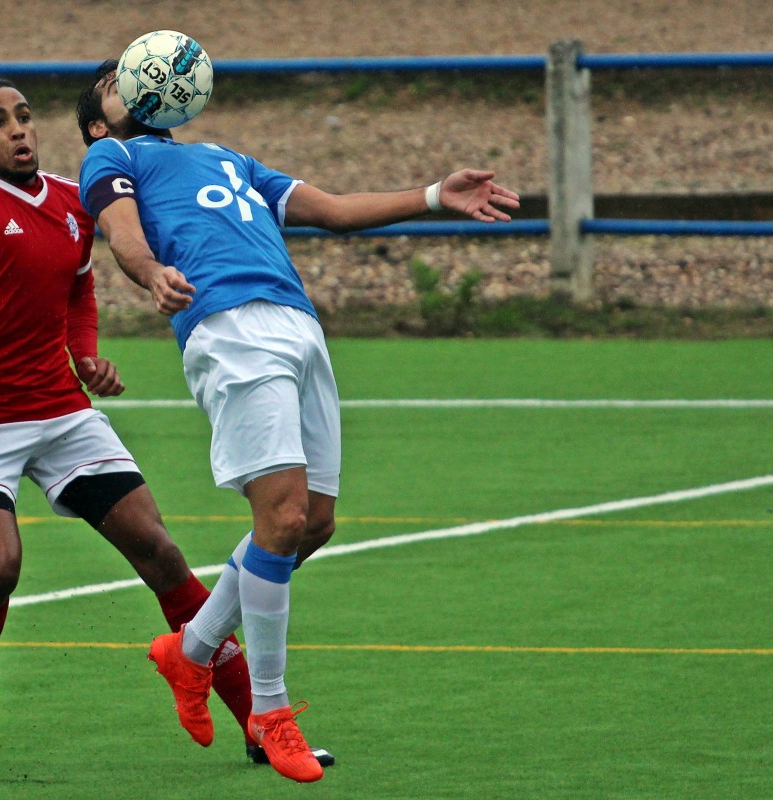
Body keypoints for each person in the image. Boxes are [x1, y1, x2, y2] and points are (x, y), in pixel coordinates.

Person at [75, 59, 520, 783]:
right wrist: (152, 272)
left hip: (297, 325)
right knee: (280, 519)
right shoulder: (112, 155)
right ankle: (270, 713)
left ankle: (191, 651)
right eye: (113, 82)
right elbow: (122, 234)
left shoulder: (226, 158)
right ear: (100, 121)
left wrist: (435, 194)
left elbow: (334, 210)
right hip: (230, 328)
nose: (130, 80)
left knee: (312, 523)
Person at [0, 77, 264, 761]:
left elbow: (78, 288)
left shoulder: (69, 202)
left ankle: (259, 725)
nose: (18, 129)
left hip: (62, 413)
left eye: (24, 116)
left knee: (161, 552)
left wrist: (84, 356)